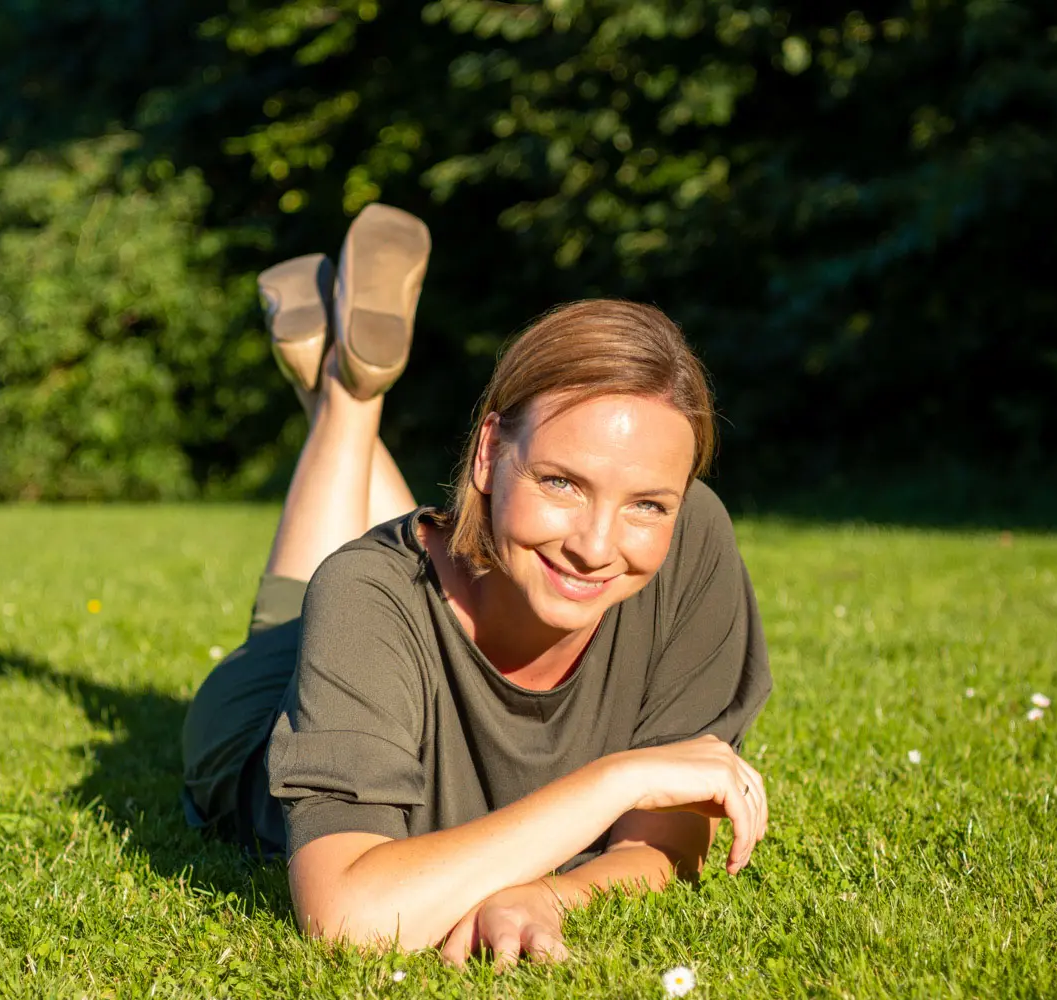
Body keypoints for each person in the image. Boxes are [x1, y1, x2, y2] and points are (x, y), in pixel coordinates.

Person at [181, 203, 772, 967]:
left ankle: (334, 381)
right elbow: (351, 915)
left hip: (425, 599)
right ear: (488, 449)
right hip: (264, 704)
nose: (597, 547)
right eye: (562, 482)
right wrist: (620, 777)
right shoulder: (365, 595)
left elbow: (665, 837)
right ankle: (348, 396)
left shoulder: (693, 538)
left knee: (457, 560)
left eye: (646, 505)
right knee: (345, 590)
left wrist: (547, 894)